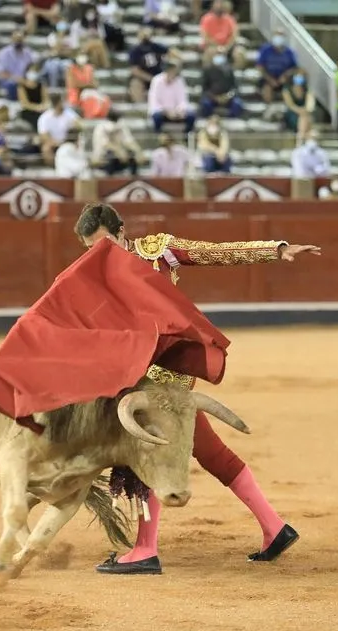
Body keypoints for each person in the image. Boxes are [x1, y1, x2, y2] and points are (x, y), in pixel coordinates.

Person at [72, 203, 320, 575]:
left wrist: (276, 249)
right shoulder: (96, 276)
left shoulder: (158, 251)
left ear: (122, 232)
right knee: (210, 451)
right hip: (134, 378)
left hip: (167, 379)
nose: (99, 254)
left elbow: (215, 252)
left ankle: (145, 549)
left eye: (104, 243)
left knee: (147, 450)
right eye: (91, 249)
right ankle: (274, 528)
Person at [256, 29, 297, 120]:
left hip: (284, 79)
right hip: (268, 78)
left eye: (281, 35)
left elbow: (294, 68)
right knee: (267, 87)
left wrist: (285, 76)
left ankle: (289, 111)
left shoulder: (289, 52)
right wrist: (270, 79)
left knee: (293, 85)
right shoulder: (266, 50)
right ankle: (268, 109)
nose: (278, 38)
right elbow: (260, 67)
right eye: (277, 35)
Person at [148, 61, 195, 134]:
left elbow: (182, 100)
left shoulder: (179, 81)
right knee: (157, 117)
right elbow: (154, 102)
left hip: (176, 113)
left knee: (191, 115)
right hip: (162, 112)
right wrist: (166, 112)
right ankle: (158, 137)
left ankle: (186, 137)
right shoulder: (157, 80)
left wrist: (179, 111)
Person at [128, 27, 170, 104]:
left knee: (170, 81)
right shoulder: (135, 50)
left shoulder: (157, 47)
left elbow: (173, 53)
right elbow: (135, 70)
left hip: (159, 77)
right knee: (135, 84)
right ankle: (140, 106)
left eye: (147, 34)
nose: (145, 36)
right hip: (144, 79)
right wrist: (152, 79)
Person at [37, 93, 79, 166]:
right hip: (52, 142)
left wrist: (68, 140)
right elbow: (43, 135)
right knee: (46, 148)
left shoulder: (69, 113)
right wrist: (55, 142)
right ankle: (53, 167)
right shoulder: (44, 117)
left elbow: (79, 125)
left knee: (78, 144)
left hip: (67, 141)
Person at [200, 46, 242, 118]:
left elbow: (234, 88)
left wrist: (227, 96)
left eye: (222, 54)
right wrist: (215, 97)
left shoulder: (229, 70)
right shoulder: (207, 70)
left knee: (237, 104)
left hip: (227, 98)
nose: (220, 56)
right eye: (218, 54)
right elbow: (205, 89)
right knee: (205, 104)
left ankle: (232, 121)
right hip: (212, 98)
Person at [0, 30, 33, 101]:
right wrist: (18, 79)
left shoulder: (27, 52)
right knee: (13, 85)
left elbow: (31, 67)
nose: (18, 41)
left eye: (20, 39)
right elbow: (2, 73)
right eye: (16, 39)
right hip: (9, 81)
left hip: (24, 80)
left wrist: (30, 79)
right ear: (12, 39)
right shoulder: (4, 53)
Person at [283, 70, 315, 140]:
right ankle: (303, 136)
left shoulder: (308, 90)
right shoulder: (287, 90)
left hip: (305, 113)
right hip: (293, 113)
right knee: (303, 117)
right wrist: (300, 111)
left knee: (305, 117)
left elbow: (310, 105)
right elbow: (290, 105)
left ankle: (301, 137)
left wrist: (305, 110)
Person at [18, 63, 48, 131]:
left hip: (41, 110)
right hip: (28, 111)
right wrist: (36, 108)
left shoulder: (41, 85)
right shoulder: (21, 87)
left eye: (35, 71)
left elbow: (46, 100)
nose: (33, 73)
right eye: (32, 70)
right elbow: (24, 104)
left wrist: (43, 106)